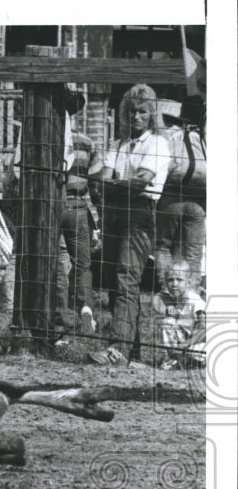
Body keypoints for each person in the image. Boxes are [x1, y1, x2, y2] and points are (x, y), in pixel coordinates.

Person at [89, 84, 170, 367]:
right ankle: (131, 352)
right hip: (113, 213)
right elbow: (103, 181)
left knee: (127, 276)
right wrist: (116, 185)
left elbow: (142, 182)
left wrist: (113, 185)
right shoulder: (118, 143)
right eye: (131, 111)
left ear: (152, 114)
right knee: (114, 280)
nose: (136, 117)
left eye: (142, 112)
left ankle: (118, 348)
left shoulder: (157, 143)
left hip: (139, 214)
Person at [60, 93, 103, 338]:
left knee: (52, 261)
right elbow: (96, 183)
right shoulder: (86, 143)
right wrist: (96, 215)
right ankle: (85, 308)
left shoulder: (44, 139)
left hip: (51, 205)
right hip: (77, 205)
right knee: (82, 264)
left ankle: (55, 312)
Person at [154, 97, 206, 297]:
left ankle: (167, 291)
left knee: (164, 246)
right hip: (199, 200)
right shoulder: (198, 135)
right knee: (193, 251)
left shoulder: (167, 137)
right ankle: (189, 294)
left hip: (172, 198)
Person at [151, 259, 205, 370]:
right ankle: (174, 359)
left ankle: (185, 361)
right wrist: (167, 309)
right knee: (167, 322)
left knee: (194, 353)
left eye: (179, 280)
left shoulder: (195, 301)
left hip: (200, 341)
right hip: (184, 341)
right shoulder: (172, 299)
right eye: (170, 280)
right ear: (165, 282)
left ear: (188, 282)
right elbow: (155, 301)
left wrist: (186, 344)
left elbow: (205, 331)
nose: (174, 284)